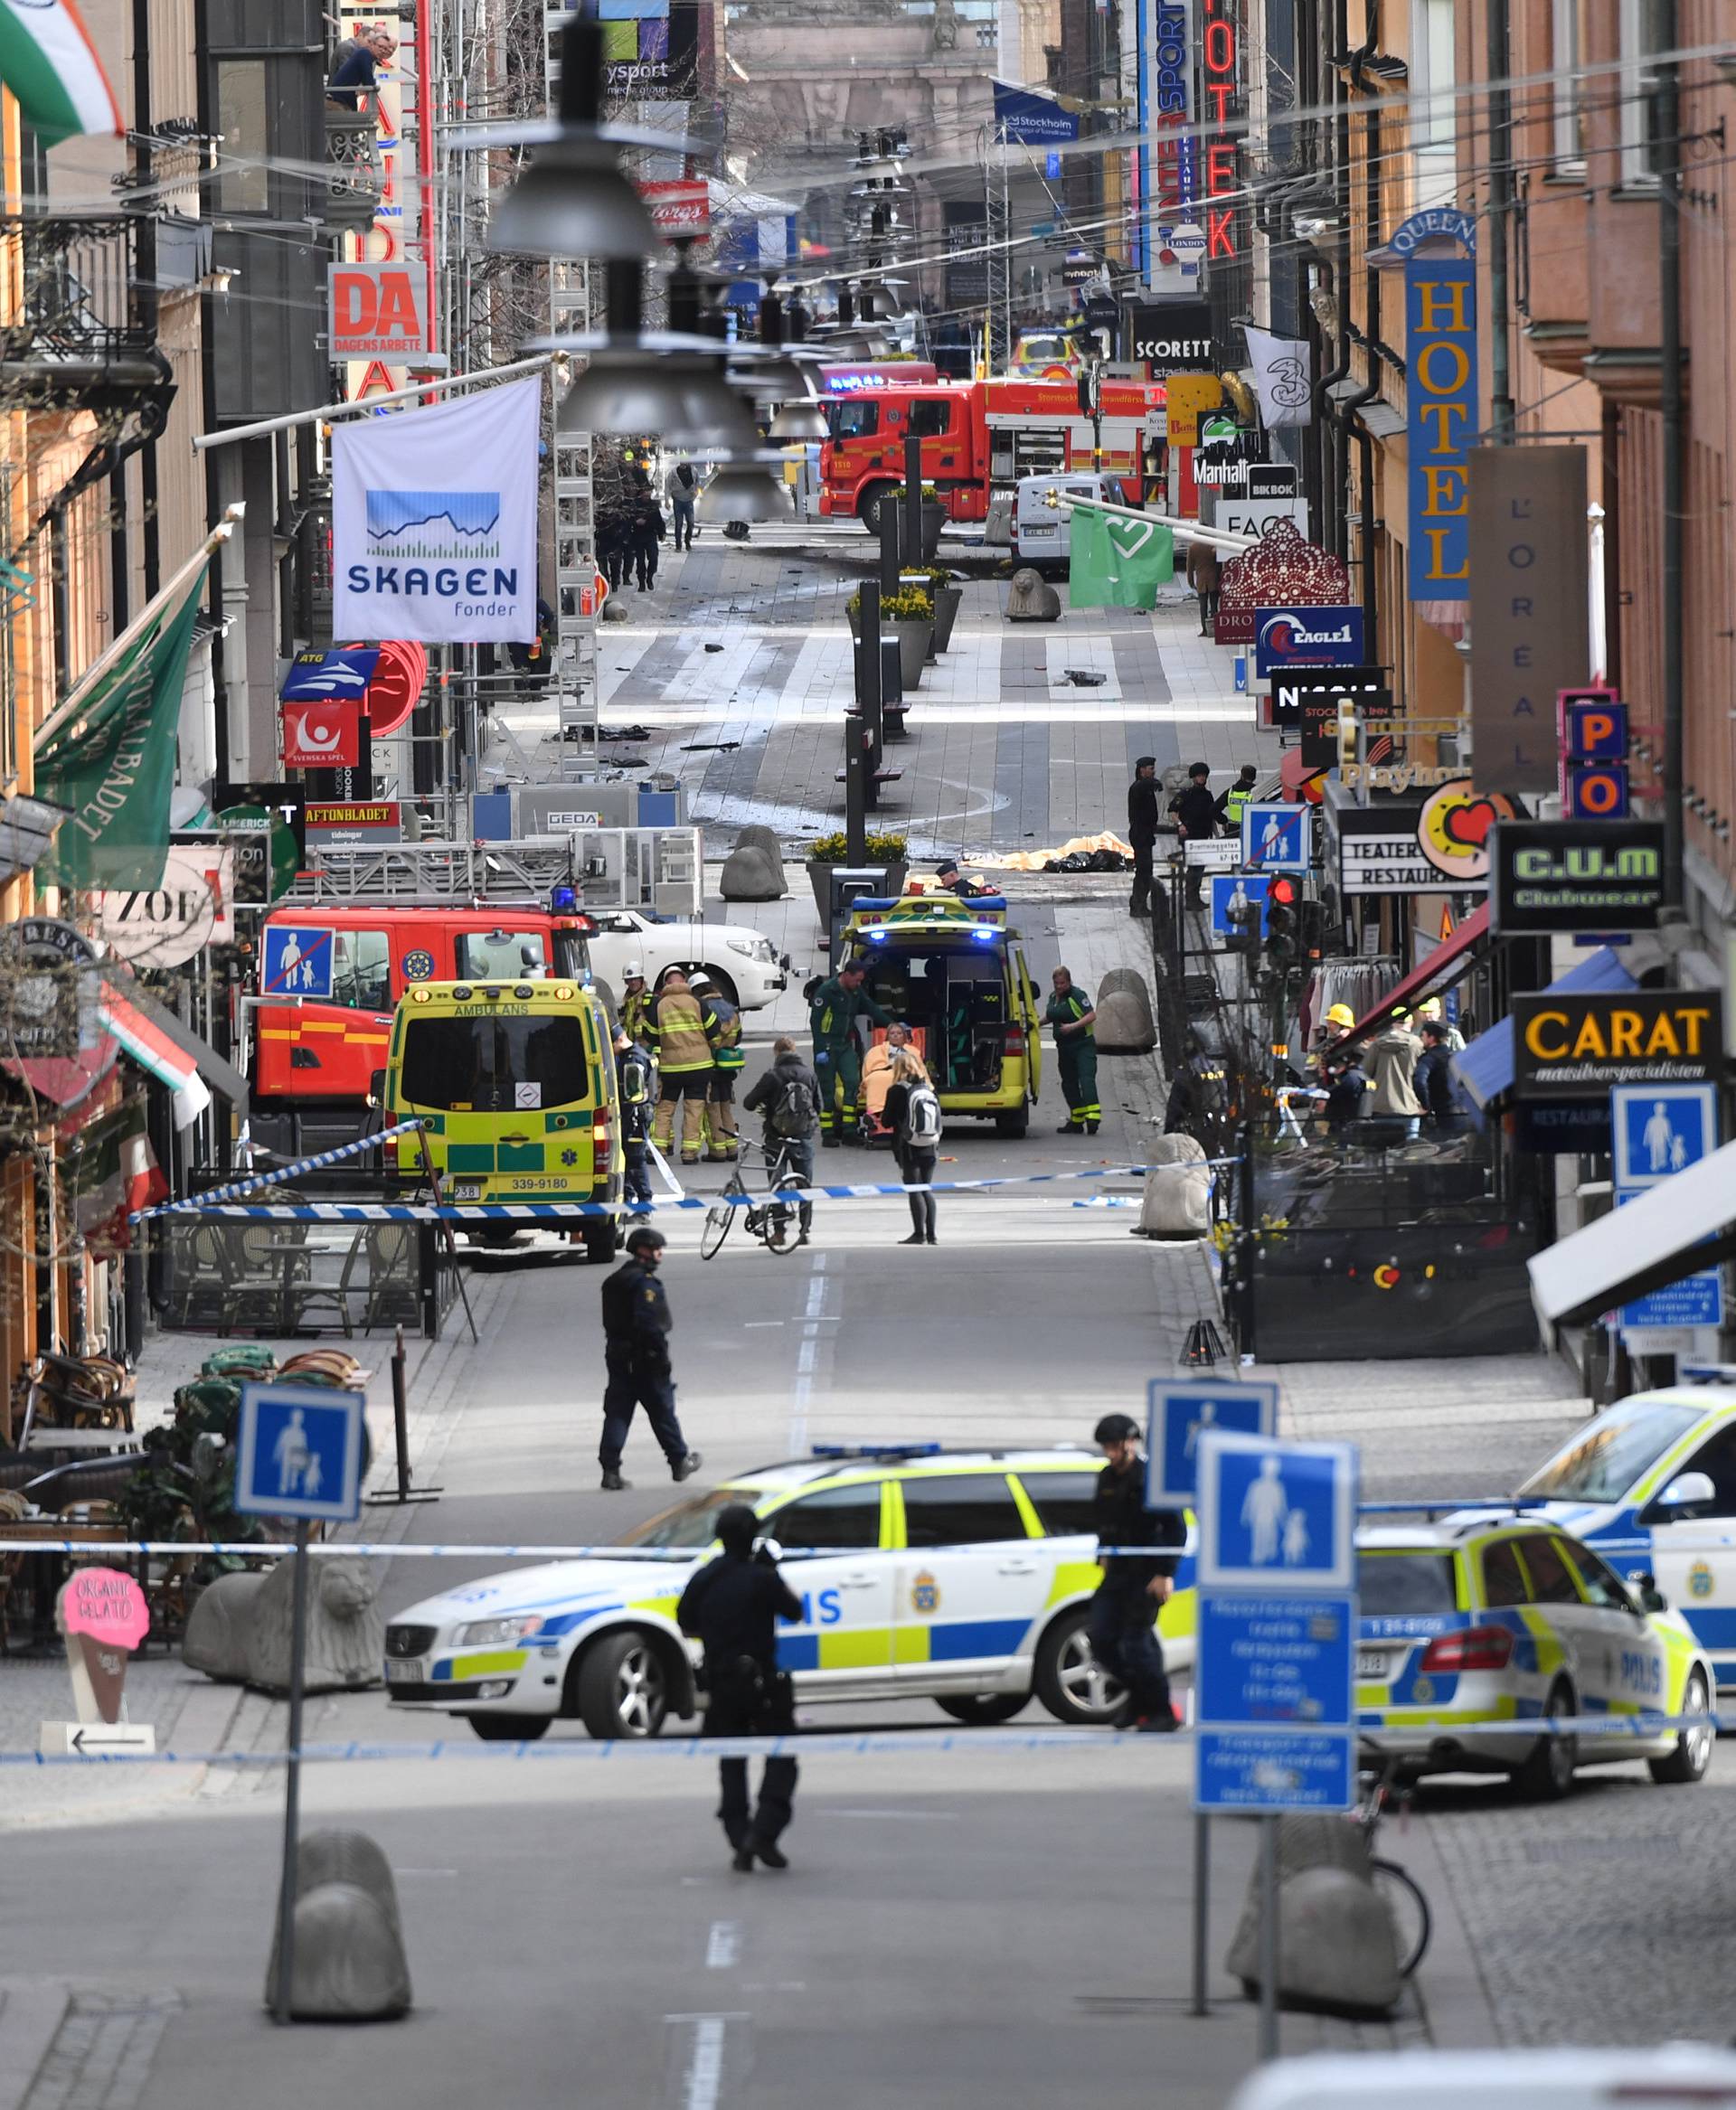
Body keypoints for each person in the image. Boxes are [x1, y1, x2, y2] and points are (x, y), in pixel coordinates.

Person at [676, 1502, 802, 1872]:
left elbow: (686, 1622)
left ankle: (740, 1835)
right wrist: (771, 1572)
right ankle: (763, 1832)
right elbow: (794, 1611)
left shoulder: (704, 1577)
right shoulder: (761, 1577)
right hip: (763, 1684)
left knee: (732, 1763)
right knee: (782, 1757)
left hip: (721, 1682)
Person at [1089, 1412, 1185, 1732]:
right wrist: (1103, 1553)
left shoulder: (1151, 1479)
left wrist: (1165, 1573)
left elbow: (1176, 1530)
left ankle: (1162, 1713)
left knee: (1137, 1644)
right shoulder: (1106, 1477)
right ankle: (1139, 1699)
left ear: (1131, 1442)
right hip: (1117, 1573)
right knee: (1101, 1639)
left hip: (1147, 1575)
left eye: (1116, 1446)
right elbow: (1104, 1521)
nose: (1111, 1454)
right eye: (1106, 1447)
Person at [599, 1226, 702, 1491]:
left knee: (618, 1413)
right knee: (662, 1411)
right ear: (643, 1251)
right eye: (657, 1249)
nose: (660, 1254)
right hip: (645, 1358)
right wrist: (659, 1357)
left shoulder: (613, 1281)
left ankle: (610, 1470)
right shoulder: (645, 1284)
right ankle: (679, 1461)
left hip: (617, 1355)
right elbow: (649, 1324)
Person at [742, 1036, 821, 1243]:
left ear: (776, 1053)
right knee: (805, 1184)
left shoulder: (773, 1076)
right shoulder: (809, 1074)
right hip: (803, 1137)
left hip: (776, 1138)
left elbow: (748, 1103)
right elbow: (819, 1105)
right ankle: (805, 1231)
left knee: (777, 1185)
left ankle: (779, 1233)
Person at [809, 959, 892, 1147]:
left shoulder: (855, 991)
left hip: (845, 1045)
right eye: (856, 980)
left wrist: (892, 1024)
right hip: (828, 1047)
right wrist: (820, 1050)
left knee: (853, 1083)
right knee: (828, 1092)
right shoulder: (826, 991)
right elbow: (816, 1022)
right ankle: (828, 1133)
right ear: (846, 975)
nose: (859, 984)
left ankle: (849, 1130)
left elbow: (871, 1008)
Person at [647, 968, 716, 1166]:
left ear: (666, 984)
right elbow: (714, 1029)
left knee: (665, 1108)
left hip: (671, 1068)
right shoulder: (697, 1002)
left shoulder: (659, 1006)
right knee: (694, 1109)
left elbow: (651, 1035)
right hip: (699, 1066)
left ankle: (659, 1149)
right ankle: (689, 1153)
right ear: (684, 981)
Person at [882, 1046, 941, 1246]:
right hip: (930, 1144)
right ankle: (932, 1235)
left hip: (908, 1145)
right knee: (927, 1188)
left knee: (914, 1189)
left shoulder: (897, 1090)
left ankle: (918, 1234)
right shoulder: (929, 1089)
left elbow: (887, 1120)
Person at [688, 972, 742, 1163]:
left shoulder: (703, 1009)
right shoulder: (731, 1009)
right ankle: (732, 1148)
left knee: (712, 1109)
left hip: (709, 1065)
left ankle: (718, 1151)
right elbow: (739, 1037)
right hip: (728, 1066)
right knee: (726, 1108)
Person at [1045, 966, 1099, 1135]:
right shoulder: (1053, 997)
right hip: (1064, 1048)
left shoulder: (1077, 995)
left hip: (1082, 1044)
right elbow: (1051, 1016)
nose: (1059, 986)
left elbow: (1091, 1015)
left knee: (1086, 1079)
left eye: (1062, 983)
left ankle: (1093, 1119)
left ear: (1069, 981)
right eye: (1056, 983)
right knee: (1068, 1083)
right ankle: (1076, 1120)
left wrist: (1072, 1027)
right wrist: (1033, 1024)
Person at [1167, 761, 1219, 909]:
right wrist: (1180, 825)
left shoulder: (1208, 795)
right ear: (1193, 778)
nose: (1202, 779)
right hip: (1189, 837)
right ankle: (1190, 899)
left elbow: (1211, 816)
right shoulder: (1185, 794)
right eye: (1199, 776)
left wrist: (1216, 834)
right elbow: (1172, 811)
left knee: (1200, 868)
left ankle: (1195, 897)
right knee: (1193, 868)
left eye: (1204, 776)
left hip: (1203, 836)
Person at [1368, 1006, 1424, 1138]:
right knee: (1411, 1152)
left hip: (1382, 1107)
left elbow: (1366, 1072)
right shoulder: (1417, 1045)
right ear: (1410, 1022)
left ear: (1392, 1023)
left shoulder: (1377, 1045)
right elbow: (1422, 1076)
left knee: (1383, 1153)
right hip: (1410, 1107)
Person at [615, 1027, 655, 1210]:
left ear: (620, 1040)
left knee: (636, 1162)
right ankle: (629, 1202)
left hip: (634, 1117)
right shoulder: (634, 1054)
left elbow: (632, 1095)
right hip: (636, 1115)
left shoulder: (632, 1060)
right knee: (629, 1161)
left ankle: (644, 1206)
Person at [860, 1020, 913, 1136]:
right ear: (887, 1036)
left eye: (899, 1033)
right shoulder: (876, 1050)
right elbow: (869, 1066)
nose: (895, 1035)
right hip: (879, 1072)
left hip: (900, 1074)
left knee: (894, 1081)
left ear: (905, 1036)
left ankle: (879, 1118)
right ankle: (874, 1117)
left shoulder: (911, 1051)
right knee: (876, 1079)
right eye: (892, 1033)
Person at [1414, 1021, 1465, 1134]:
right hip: (1462, 1110)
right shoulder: (1455, 1056)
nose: (1421, 1038)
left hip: (1442, 1113)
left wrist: (1425, 1106)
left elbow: (1419, 1081)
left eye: (1423, 1035)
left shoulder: (1429, 1059)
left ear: (1431, 1038)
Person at [328, 23, 395, 107]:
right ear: (372, 44)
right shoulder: (364, 54)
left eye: (386, 49)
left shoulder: (366, 55)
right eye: (380, 47)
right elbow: (368, 82)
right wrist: (375, 83)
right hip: (339, 99)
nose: (383, 51)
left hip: (344, 97)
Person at [1126, 756, 1160, 919]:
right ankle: (1137, 905)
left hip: (1145, 834)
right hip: (1140, 834)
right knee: (1144, 871)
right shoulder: (1139, 787)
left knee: (1146, 871)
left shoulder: (1144, 787)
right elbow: (1143, 785)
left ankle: (1140, 904)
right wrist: (1153, 782)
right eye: (1150, 768)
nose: (1153, 771)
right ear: (1142, 770)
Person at [1185, 538, 1222, 636]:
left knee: (1203, 607)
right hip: (1214, 580)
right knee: (1214, 606)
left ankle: (1205, 630)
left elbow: (1189, 567)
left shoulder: (1193, 548)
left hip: (1201, 581)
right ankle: (1216, 629)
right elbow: (1220, 564)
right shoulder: (1214, 546)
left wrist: (1191, 582)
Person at [665, 459, 700, 551]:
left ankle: (687, 541)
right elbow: (668, 486)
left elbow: (697, 483)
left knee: (691, 523)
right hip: (678, 500)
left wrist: (696, 492)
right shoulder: (673, 472)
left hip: (689, 501)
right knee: (678, 523)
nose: (683, 465)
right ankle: (678, 545)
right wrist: (667, 501)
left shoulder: (694, 471)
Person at [619, 961, 655, 1050]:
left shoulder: (650, 1000)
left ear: (641, 979)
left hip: (646, 1049)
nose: (633, 982)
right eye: (629, 980)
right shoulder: (625, 1003)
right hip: (630, 1048)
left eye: (636, 979)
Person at [1216, 763, 1259, 837]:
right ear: (1254, 777)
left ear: (1242, 776)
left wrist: (1224, 821)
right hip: (1250, 830)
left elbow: (1213, 809)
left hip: (1232, 830)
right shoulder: (1257, 793)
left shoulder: (1230, 792)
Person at [632, 499, 665, 591]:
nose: (647, 493)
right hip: (638, 536)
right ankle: (641, 583)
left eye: (648, 490)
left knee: (653, 558)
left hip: (650, 535)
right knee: (640, 561)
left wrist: (662, 533)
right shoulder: (635, 505)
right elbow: (628, 520)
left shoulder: (653, 505)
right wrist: (635, 522)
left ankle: (649, 577)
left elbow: (659, 520)